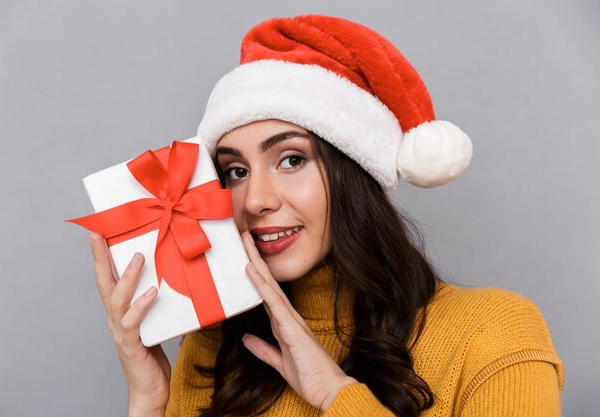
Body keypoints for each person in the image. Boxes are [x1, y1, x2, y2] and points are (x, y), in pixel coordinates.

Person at [87, 15, 564, 417]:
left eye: (292, 159)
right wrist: (148, 400)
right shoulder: (216, 347)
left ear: (355, 173)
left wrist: (334, 392)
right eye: (235, 170)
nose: (254, 200)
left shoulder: (492, 333)